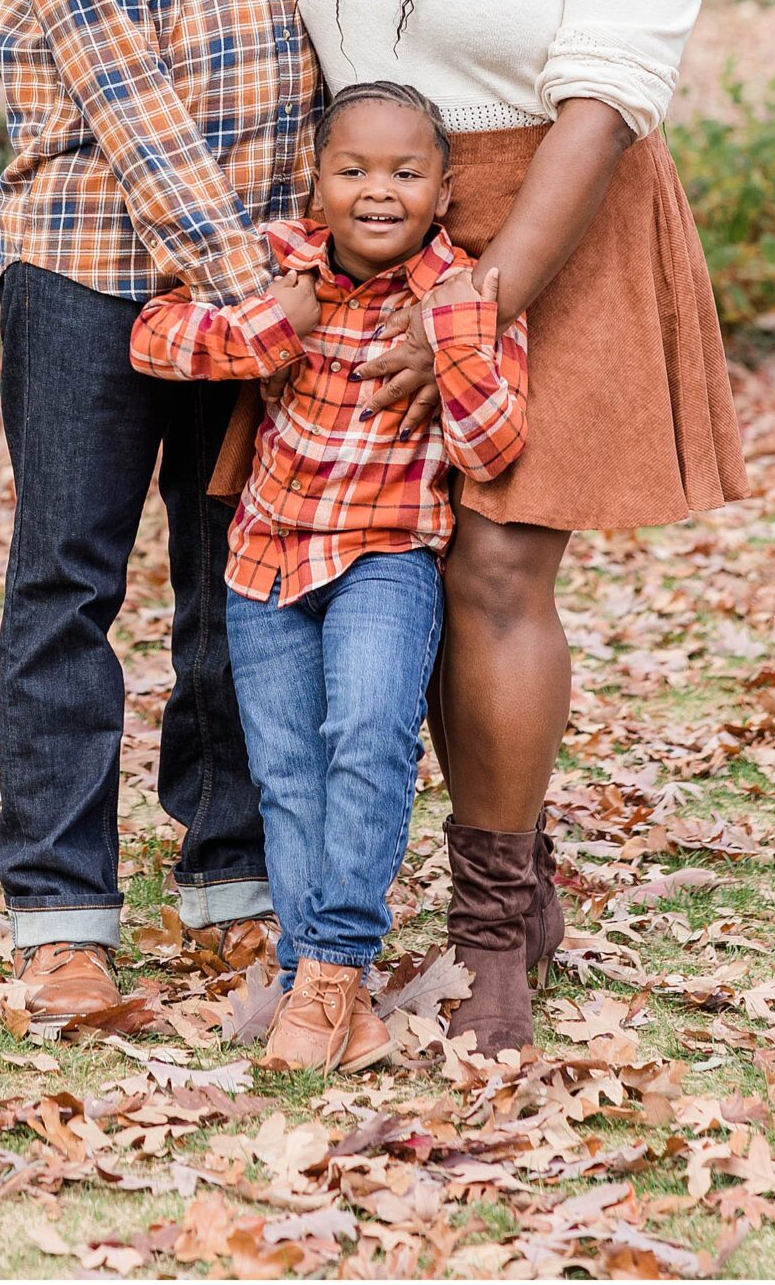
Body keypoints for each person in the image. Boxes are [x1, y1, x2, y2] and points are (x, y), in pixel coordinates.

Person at [294, 0, 748, 1056]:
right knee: (390, 568)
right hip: (373, 227)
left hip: (550, 215)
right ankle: (523, 870)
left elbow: (609, 95)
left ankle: (490, 939)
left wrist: (482, 304)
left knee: (494, 568)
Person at [0, 0, 349, 1015]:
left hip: (268, 247)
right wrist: (236, 263)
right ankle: (61, 912)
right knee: (69, 580)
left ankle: (229, 866)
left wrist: (327, 237)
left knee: (234, 574)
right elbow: (102, 46)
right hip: (90, 247)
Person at [130, 81, 528, 1075]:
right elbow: (152, 335)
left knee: (369, 734)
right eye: (351, 170)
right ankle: (326, 992)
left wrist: (447, 344)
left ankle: (330, 972)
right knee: (286, 770)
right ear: (316, 184)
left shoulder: (464, 293)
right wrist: (272, 328)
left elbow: (495, 444)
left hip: (387, 556)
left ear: (443, 190)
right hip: (266, 561)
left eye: (404, 172)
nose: (376, 191)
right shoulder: (281, 266)